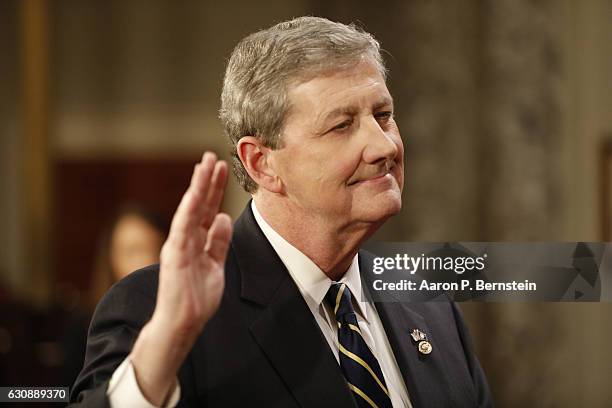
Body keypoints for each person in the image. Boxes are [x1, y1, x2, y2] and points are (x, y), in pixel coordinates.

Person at [70, 17, 491, 407]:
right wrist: (162, 347)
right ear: (262, 163)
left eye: (383, 116)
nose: (384, 147)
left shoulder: (426, 299)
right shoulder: (160, 309)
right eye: (341, 126)